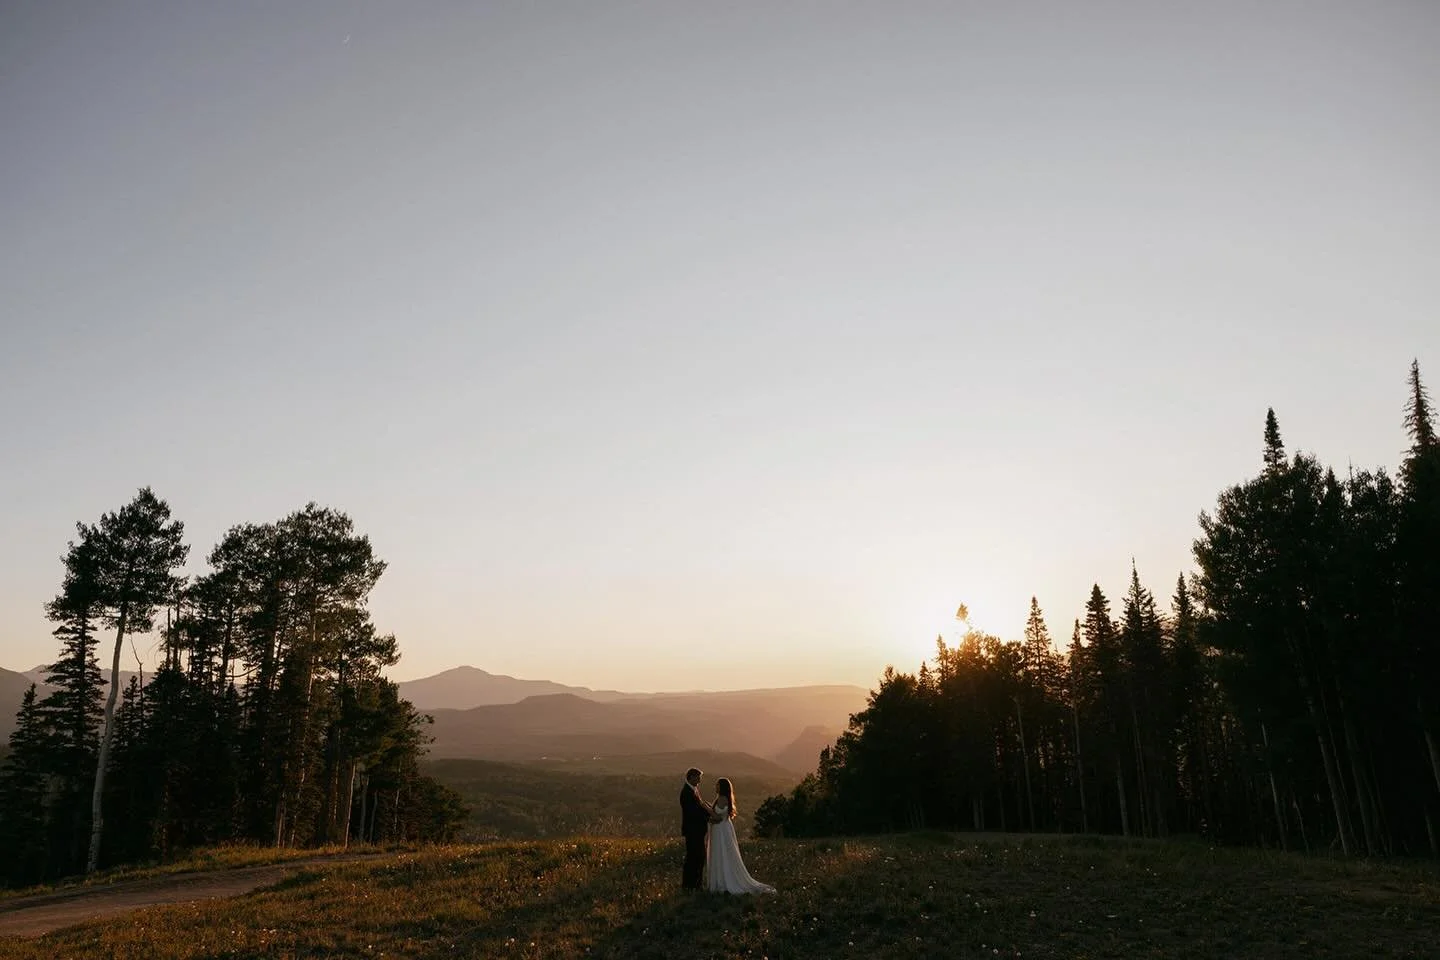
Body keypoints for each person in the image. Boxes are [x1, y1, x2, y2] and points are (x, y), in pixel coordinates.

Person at [705, 777, 776, 895]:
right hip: (723, 828)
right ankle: (721, 880)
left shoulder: (722, 799)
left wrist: (706, 807)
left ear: (721, 787)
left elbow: (717, 817)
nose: (715, 787)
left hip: (721, 830)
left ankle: (722, 881)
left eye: (717, 785)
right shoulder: (723, 798)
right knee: (723, 853)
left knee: (721, 853)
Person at [679, 767, 712, 889]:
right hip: (693, 831)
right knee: (694, 857)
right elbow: (694, 812)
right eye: (698, 777)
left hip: (696, 830)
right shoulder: (687, 792)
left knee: (698, 857)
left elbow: (699, 807)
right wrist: (710, 815)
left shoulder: (693, 789)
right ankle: (690, 885)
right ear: (691, 777)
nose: (699, 780)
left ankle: (695, 884)